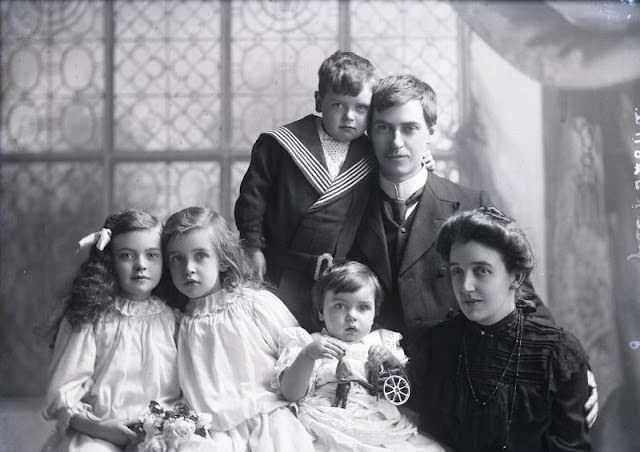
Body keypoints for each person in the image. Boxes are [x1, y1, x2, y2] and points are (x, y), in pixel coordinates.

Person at [349, 73, 599, 428]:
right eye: (383, 129)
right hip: (374, 385)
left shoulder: (470, 203)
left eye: (409, 128)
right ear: (369, 133)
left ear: (430, 131)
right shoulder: (345, 208)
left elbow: (520, 294)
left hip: (457, 382)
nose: (396, 143)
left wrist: (572, 368)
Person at [406, 207, 591, 451]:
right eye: (457, 272)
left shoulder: (555, 354)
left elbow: (571, 447)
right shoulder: (435, 344)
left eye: (481, 271)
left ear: (516, 277)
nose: (465, 286)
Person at [234, 50, 379, 331]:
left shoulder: (372, 154)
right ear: (318, 101)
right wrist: (253, 246)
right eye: (338, 105)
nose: (349, 116)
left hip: (338, 282)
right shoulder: (282, 143)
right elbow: (253, 198)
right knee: (278, 340)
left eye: (361, 108)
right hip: (282, 268)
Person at [162, 206, 314, 451]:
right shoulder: (178, 321)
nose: (188, 268)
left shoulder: (254, 304)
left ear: (222, 260)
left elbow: (295, 349)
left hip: (266, 415)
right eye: (177, 259)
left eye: (200, 255)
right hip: (210, 429)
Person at [41, 210, 181, 452]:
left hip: (162, 434)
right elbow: (63, 392)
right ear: (110, 261)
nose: (141, 265)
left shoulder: (174, 320)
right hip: (99, 431)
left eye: (151, 255)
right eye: (127, 255)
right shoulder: (91, 317)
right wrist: (101, 428)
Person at [275, 260, 447, 451]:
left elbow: (403, 392)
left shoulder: (383, 342)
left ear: (375, 313)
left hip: (378, 422)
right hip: (327, 422)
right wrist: (308, 356)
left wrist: (392, 364)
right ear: (321, 311)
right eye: (339, 306)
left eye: (363, 307)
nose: (351, 316)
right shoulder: (312, 344)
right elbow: (290, 394)